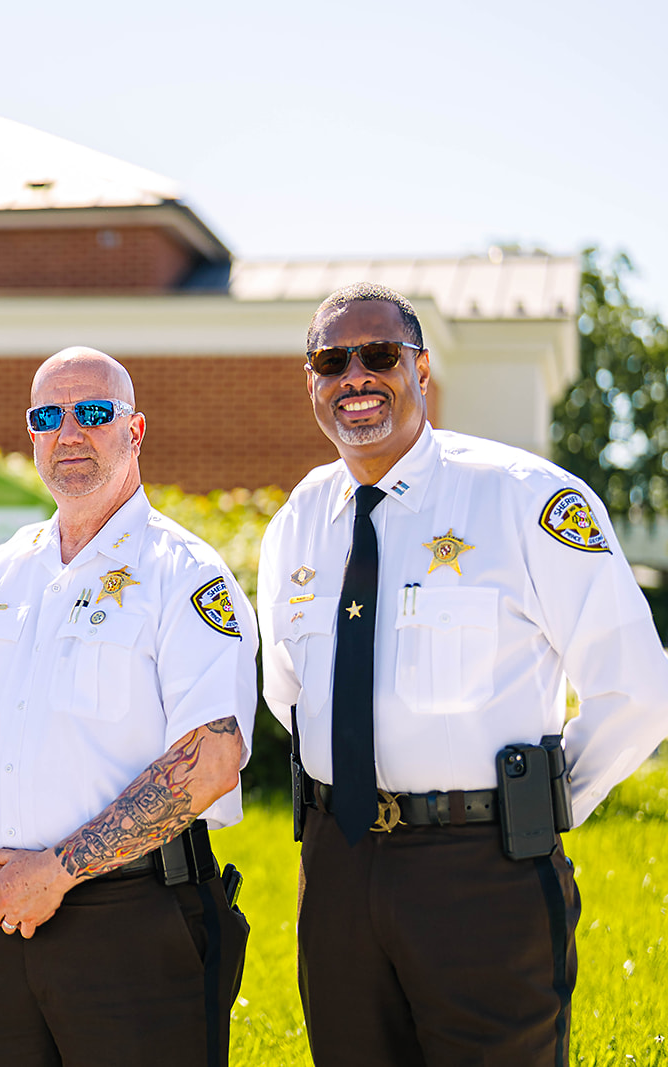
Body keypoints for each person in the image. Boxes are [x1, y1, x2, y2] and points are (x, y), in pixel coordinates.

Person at [258, 282, 668, 1065]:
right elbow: (292, 690)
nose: (356, 376)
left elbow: (637, 688)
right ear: (310, 379)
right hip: (337, 870)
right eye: (330, 359)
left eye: (379, 354)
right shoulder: (300, 520)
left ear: (420, 368)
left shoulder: (525, 498)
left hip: (483, 874)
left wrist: (534, 806)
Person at [0, 347, 255, 1066]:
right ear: (32, 434)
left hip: (136, 928)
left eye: (94, 413)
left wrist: (57, 872)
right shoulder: (3, 570)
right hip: (4, 925)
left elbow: (213, 758)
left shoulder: (185, 574)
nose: (70, 432)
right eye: (49, 416)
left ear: (134, 431)